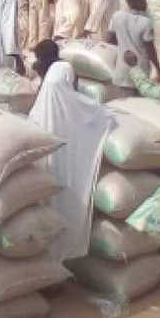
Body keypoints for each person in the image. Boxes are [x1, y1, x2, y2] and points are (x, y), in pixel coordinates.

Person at [27, 59, 114, 261]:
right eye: (74, 79)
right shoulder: (77, 105)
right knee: (66, 215)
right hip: (69, 180)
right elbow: (102, 118)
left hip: (43, 182)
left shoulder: (38, 109)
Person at [108, 0, 160, 89]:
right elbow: (150, 50)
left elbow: (111, 39)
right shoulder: (146, 23)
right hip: (139, 69)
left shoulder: (117, 16)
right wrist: (158, 69)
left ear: (127, 2)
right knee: (136, 101)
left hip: (122, 67)